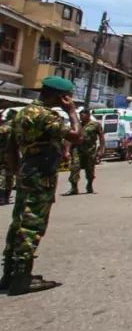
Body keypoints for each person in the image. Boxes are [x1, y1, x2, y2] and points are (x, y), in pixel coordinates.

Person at [1, 76, 82, 295]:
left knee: (18, 222)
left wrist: (17, 171)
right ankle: (22, 278)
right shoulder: (47, 117)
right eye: (68, 97)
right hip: (41, 173)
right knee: (32, 224)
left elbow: (9, 149)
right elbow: (76, 136)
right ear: (60, 96)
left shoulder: (21, 115)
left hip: (26, 171)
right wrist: (72, 112)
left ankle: (9, 274)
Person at [64, 108, 104, 195]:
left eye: (82, 115)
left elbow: (101, 137)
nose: (81, 117)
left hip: (90, 150)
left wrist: (101, 150)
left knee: (89, 169)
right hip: (77, 149)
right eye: (80, 116)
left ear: (88, 115)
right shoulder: (77, 125)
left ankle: (89, 184)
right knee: (75, 167)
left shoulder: (95, 125)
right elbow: (69, 138)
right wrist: (67, 151)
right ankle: (74, 188)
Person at [0, 108, 15, 205]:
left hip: (2, 153)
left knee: (2, 175)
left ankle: (1, 197)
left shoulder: (3, 128)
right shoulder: (15, 128)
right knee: (9, 175)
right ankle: (5, 197)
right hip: (11, 154)